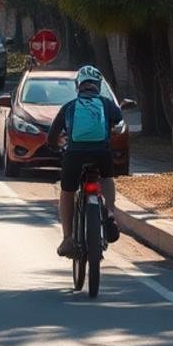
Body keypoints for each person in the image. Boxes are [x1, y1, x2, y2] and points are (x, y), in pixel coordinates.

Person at [46, 65, 124, 258]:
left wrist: (55, 147)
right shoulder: (106, 104)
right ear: (98, 85)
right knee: (106, 178)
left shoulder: (69, 107)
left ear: (78, 86)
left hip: (74, 155)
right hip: (102, 154)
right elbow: (119, 118)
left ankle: (67, 238)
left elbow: (51, 137)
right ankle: (110, 214)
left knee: (67, 192)